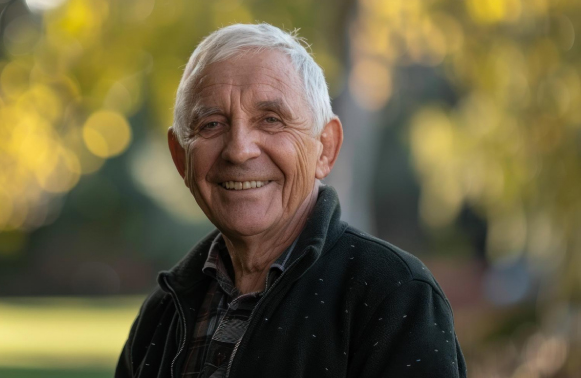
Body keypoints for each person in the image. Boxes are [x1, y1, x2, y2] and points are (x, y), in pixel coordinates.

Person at [116, 23, 466, 378]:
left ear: (325, 148)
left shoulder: (393, 296)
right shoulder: (161, 316)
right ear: (181, 159)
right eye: (211, 124)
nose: (239, 150)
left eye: (271, 120)